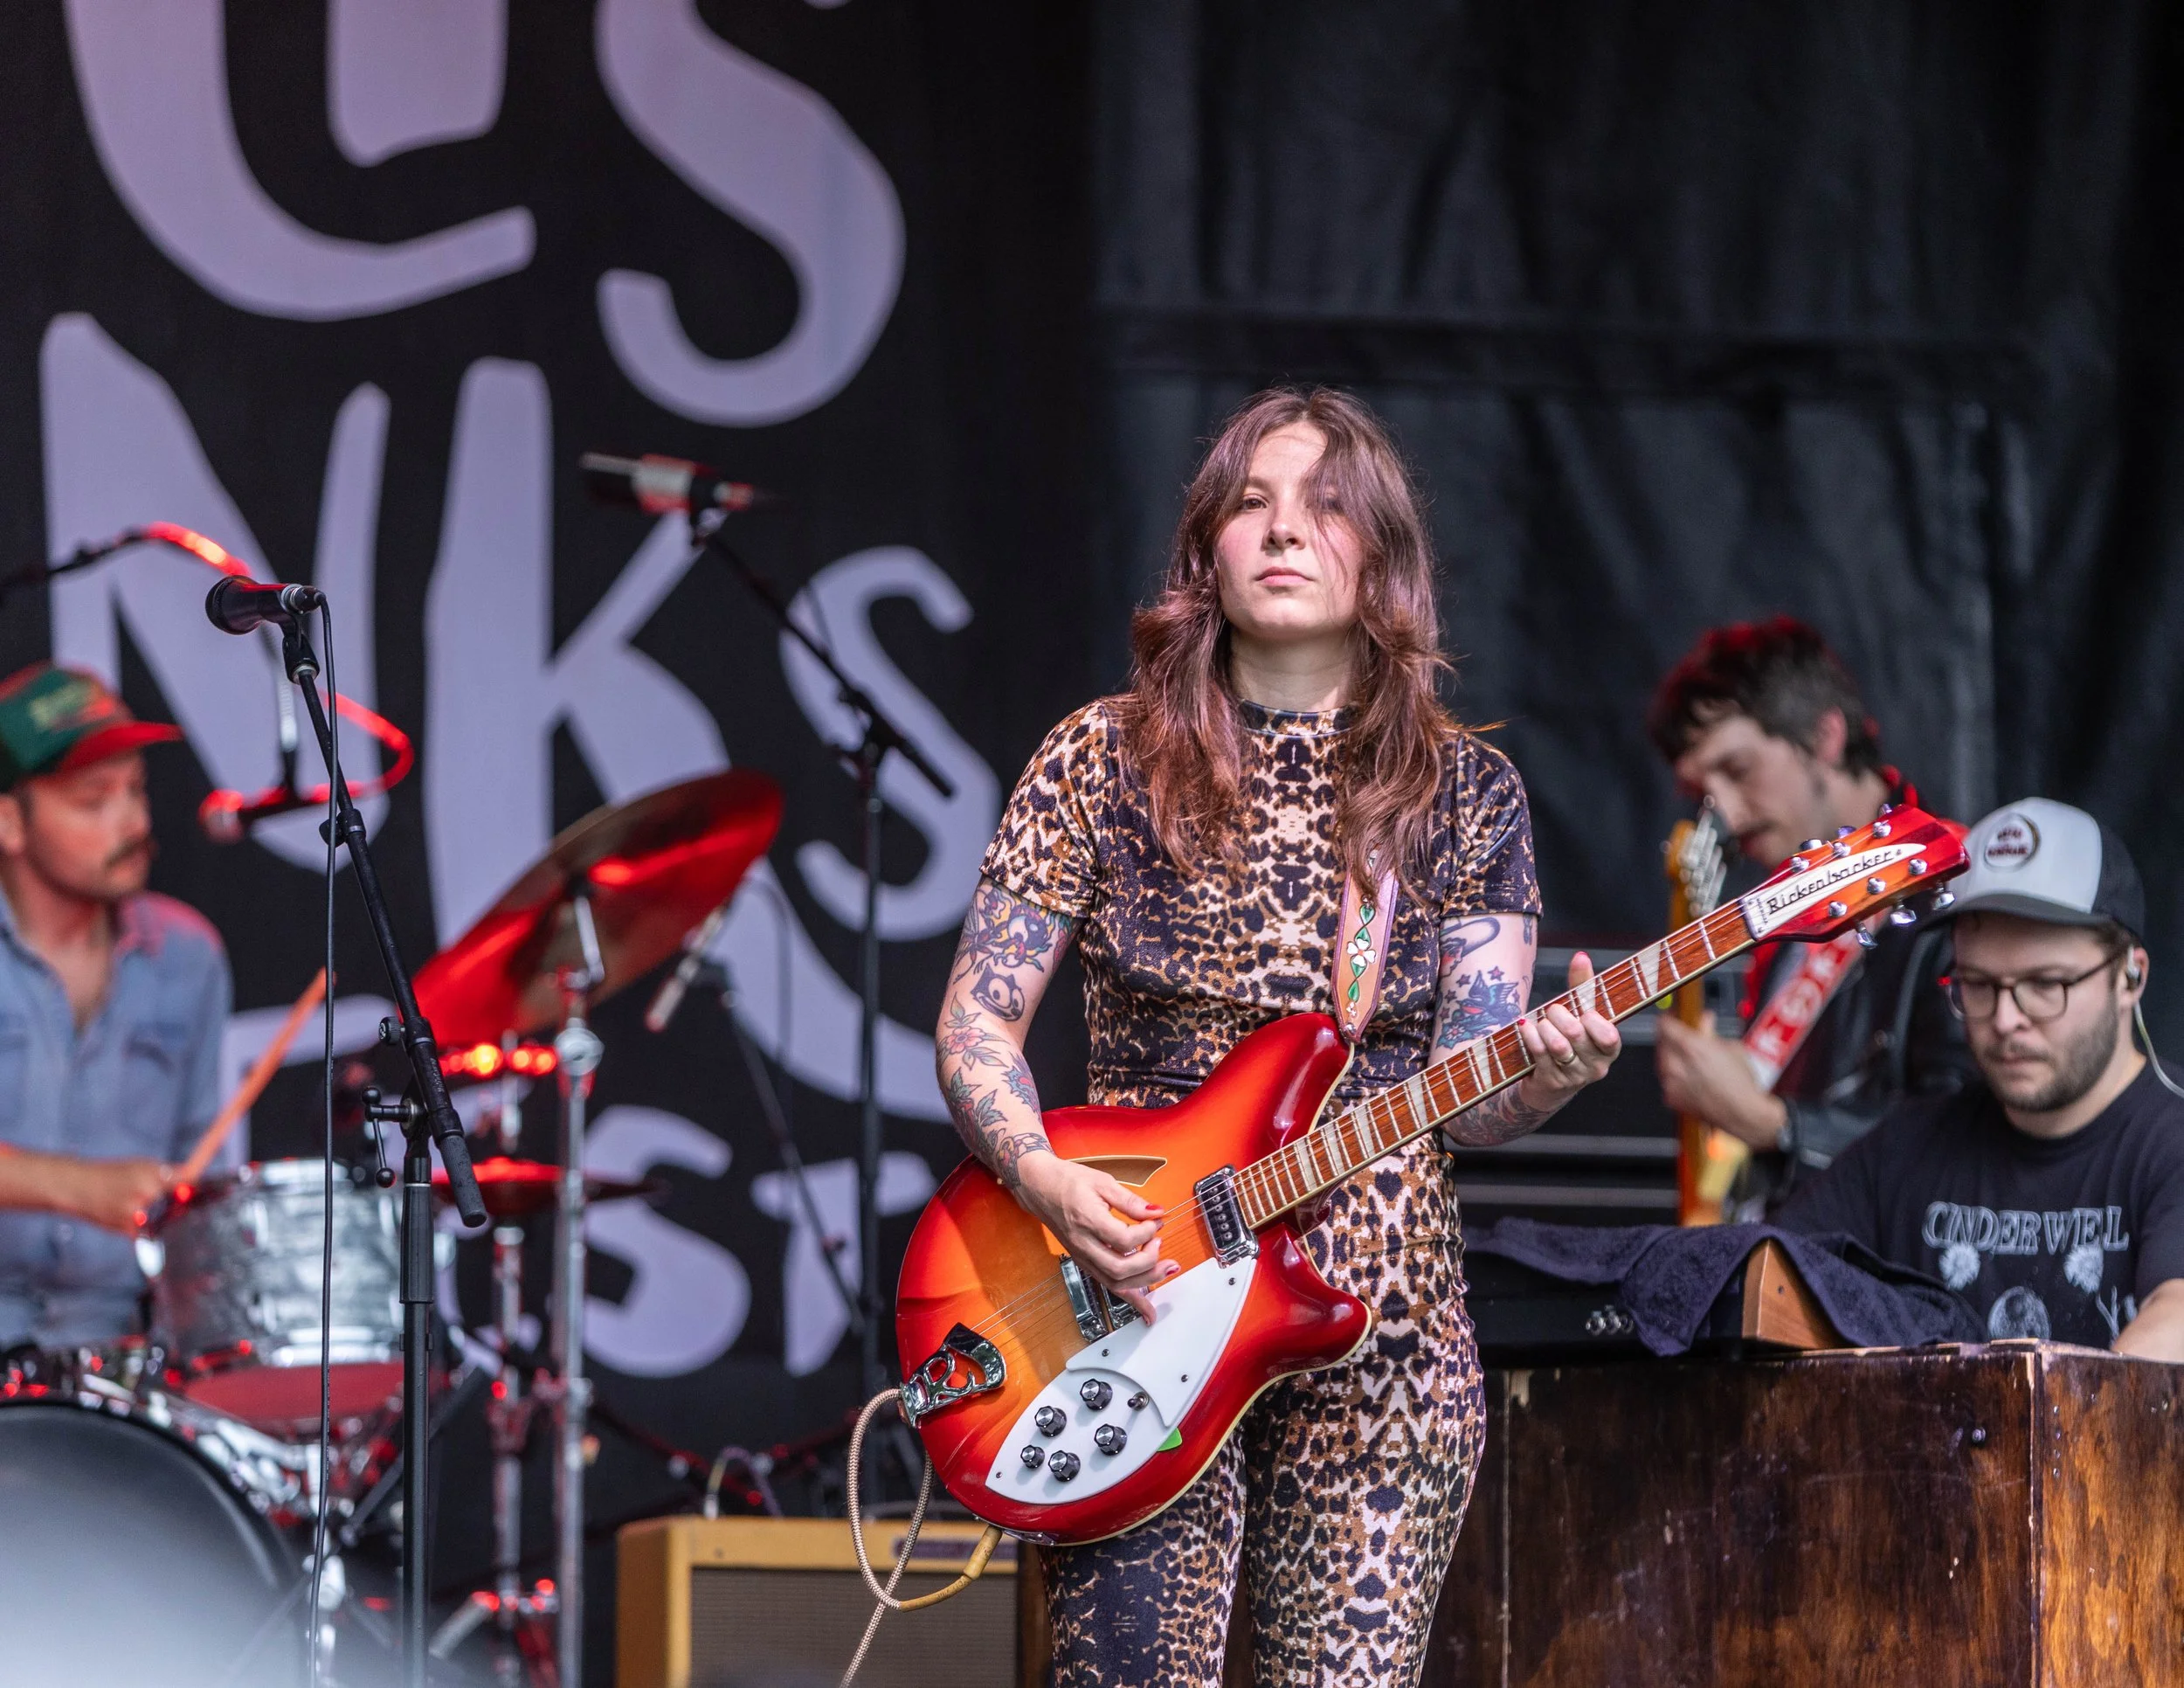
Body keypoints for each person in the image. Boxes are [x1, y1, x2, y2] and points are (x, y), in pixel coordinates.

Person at [936, 387, 1621, 1687]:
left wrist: (1552, 1073)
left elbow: (1473, 1094)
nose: (1284, 531)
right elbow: (978, 1018)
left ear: (1381, 556)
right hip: (1139, 1294)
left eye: (1323, 506)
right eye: (1250, 503)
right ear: (1205, 551)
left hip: (1380, 1330)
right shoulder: (1100, 761)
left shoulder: (1462, 791)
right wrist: (1041, 1177)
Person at [1781, 799, 2184, 1359]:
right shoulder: (1908, 1147)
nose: (2005, 1019)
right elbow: (1769, 1276)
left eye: (2046, 984)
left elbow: (2175, 1324)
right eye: (1978, 985)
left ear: (2130, 977)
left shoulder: (2172, 1141)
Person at [1646, 617, 1973, 1215]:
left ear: (1825, 737)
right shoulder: (1787, 909)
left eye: (1739, 770)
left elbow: (1968, 1144)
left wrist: (1775, 1124)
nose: (1726, 815)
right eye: (1702, 793)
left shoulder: (1956, 890)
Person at [0, 663, 232, 1349]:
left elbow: (199, 1172)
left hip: (120, 1353)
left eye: (136, 790)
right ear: (10, 822)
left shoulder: (190, 956)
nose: (131, 821)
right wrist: (77, 1188)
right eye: (94, 800)